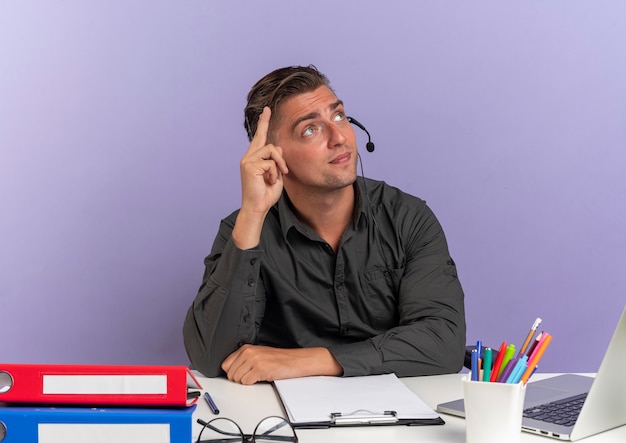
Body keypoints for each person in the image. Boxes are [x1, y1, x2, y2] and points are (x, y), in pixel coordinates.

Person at [183, 65, 466, 385]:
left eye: (339, 116)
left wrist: (312, 360)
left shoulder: (407, 219)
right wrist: (252, 214)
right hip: (278, 414)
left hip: (395, 408)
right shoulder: (246, 228)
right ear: (273, 157)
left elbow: (443, 342)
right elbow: (209, 357)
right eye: (310, 129)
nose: (339, 138)